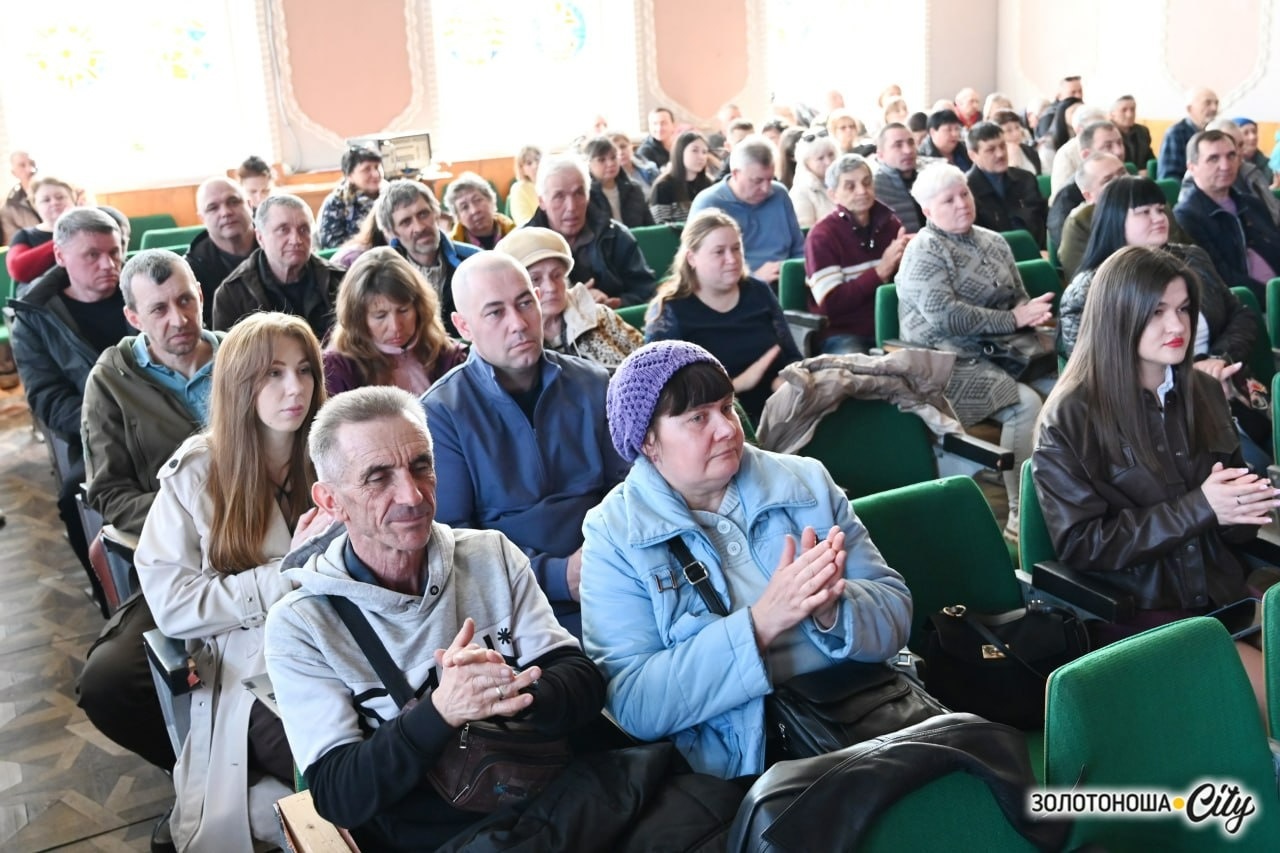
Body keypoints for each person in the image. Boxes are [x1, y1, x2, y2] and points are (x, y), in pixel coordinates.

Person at [264, 386, 605, 850]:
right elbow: (340, 794)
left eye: (421, 466)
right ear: (330, 502)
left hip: (556, 805)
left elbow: (583, 682)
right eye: (378, 478)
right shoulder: (303, 624)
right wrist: (442, 710)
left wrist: (506, 691)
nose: (412, 494)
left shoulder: (490, 555)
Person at [579, 340, 912, 778]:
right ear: (648, 442)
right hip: (749, 765)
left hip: (869, 719)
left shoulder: (806, 482)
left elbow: (897, 613)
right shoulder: (614, 535)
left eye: (727, 407)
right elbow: (633, 702)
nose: (727, 429)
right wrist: (760, 625)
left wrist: (835, 610)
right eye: (698, 418)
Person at [136, 312, 333, 850]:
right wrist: (285, 576)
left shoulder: (332, 453)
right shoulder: (197, 472)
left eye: (304, 370)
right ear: (238, 383)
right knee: (337, 765)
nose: (295, 388)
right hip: (251, 670)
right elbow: (173, 605)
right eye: (273, 373)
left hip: (344, 646)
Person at [1033, 245, 1279, 671]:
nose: (1177, 325)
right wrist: (1202, 507)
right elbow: (1081, 545)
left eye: (1183, 310)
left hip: (1222, 596)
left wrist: (1245, 506)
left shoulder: (1203, 390)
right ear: (1119, 316)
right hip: (1139, 612)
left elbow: (1234, 532)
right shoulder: (1069, 417)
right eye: (1156, 312)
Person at [76, 250, 223, 848]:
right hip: (178, 560)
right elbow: (109, 492)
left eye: (186, 300)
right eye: (158, 309)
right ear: (133, 317)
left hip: (266, 545)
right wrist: (188, 519)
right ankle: (200, 775)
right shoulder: (111, 381)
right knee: (108, 683)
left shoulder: (241, 356)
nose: (178, 319)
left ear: (201, 296)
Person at [423, 253, 630, 636]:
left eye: (524, 303)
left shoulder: (593, 384)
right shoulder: (441, 413)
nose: (518, 324)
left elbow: (630, 491)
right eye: (495, 313)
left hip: (616, 573)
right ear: (463, 325)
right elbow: (453, 542)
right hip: (515, 606)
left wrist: (611, 556)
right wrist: (559, 575)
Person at [1055, 176, 1266, 468]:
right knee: (1253, 471)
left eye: (1160, 208)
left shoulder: (1191, 259)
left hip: (1226, 385)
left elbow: (1241, 315)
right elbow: (1099, 366)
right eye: (1144, 212)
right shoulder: (1090, 289)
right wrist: (1191, 376)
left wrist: (1217, 360)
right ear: (1115, 220)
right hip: (1150, 415)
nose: (1158, 218)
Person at [896, 164, 1054, 533]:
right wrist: (1012, 319)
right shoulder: (924, 249)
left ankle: (1058, 491)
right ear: (927, 210)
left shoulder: (993, 241)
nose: (961, 204)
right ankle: (1021, 512)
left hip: (1005, 351)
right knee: (1025, 405)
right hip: (947, 361)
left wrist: (1030, 313)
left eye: (964, 194)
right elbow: (945, 316)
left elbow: (1018, 297)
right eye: (948, 200)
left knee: (1066, 390)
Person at [9, 207, 132, 608]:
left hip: (168, 419)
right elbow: (47, 398)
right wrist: (114, 426)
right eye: (92, 255)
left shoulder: (140, 287)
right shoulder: (35, 316)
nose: (108, 264)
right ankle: (108, 596)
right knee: (72, 494)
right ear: (61, 257)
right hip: (95, 436)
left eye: (114, 252)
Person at [644, 210, 802, 422]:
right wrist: (737, 385)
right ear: (692, 258)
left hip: (782, 407)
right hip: (717, 421)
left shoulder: (758, 290)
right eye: (719, 252)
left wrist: (785, 382)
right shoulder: (669, 310)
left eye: (736, 249)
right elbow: (664, 394)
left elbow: (791, 355)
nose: (732, 259)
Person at [323, 247, 467, 396]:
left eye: (403, 310)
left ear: (419, 307)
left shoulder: (446, 354)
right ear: (357, 318)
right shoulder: (337, 370)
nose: (396, 327)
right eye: (380, 316)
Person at [804, 154, 910, 354]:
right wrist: (879, 272)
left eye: (867, 182)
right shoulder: (822, 236)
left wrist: (907, 260)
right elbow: (830, 304)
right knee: (859, 369)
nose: (862, 191)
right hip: (843, 333)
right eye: (850, 186)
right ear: (833, 195)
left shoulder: (891, 224)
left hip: (894, 326)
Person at [495, 227, 641, 368]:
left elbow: (647, 360)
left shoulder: (599, 315)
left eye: (556, 275)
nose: (551, 287)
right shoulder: (515, 342)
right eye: (535, 279)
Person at [525, 157, 657, 307]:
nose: (571, 207)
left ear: (588, 196)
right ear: (542, 201)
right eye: (559, 196)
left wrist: (616, 304)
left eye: (578, 193)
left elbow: (647, 290)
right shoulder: (522, 247)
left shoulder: (615, 236)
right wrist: (571, 301)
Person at [212, 194, 345, 337]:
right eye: (283, 230)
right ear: (260, 238)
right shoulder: (232, 294)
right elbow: (229, 350)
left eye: (303, 229)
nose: (296, 240)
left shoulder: (340, 279)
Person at [1174, 129, 1280, 302]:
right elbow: (1221, 279)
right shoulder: (1186, 217)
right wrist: (1274, 296)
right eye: (1213, 159)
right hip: (1250, 304)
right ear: (1192, 167)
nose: (1226, 166)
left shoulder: (1252, 204)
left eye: (1231, 156)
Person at [689, 136, 805, 285]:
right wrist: (752, 278)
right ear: (735, 174)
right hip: (734, 288)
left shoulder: (779, 194)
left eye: (770, 179)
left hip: (786, 282)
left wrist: (794, 274)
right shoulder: (709, 203)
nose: (766, 188)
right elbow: (697, 267)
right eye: (757, 181)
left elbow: (799, 249)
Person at [373, 181, 479, 336]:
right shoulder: (380, 275)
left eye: (423, 214)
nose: (419, 227)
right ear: (392, 232)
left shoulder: (474, 261)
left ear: (436, 213)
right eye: (406, 222)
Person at [186, 177, 257, 326]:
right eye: (213, 208)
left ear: (250, 205)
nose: (226, 212)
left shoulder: (279, 248)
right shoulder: (191, 271)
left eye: (233, 201)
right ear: (202, 219)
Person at [965, 121, 1048, 247]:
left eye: (1003, 146)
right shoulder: (966, 191)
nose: (1000, 154)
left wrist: (1044, 249)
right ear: (973, 155)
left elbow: (1044, 220)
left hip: (1038, 250)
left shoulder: (1026, 179)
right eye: (991, 150)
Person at [5, 176, 75, 287]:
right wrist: (67, 239)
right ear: (35, 206)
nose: (54, 203)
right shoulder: (25, 235)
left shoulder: (91, 228)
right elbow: (17, 269)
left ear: (73, 200)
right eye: (46, 200)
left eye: (60, 197)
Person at [317, 146, 387, 249]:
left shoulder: (390, 195)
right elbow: (332, 247)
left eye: (377, 167)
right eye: (366, 169)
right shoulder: (337, 203)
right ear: (349, 175)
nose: (376, 174)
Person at [584, 136, 655, 229]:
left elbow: (650, 227)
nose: (610, 164)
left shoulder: (634, 189)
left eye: (613, 158)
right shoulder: (585, 195)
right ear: (588, 163)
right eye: (601, 160)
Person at [874, 123, 929, 233]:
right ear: (881, 155)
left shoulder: (928, 177)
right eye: (898, 145)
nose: (908, 150)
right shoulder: (875, 188)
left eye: (911, 143)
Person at [648, 130, 712, 224]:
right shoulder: (663, 186)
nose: (701, 157)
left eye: (704, 152)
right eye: (694, 150)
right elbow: (661, 226)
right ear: (680, 152)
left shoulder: (709, 184)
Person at [1158, 88, 1219, 180]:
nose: (1214, 108)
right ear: (1189, 109)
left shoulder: (1218, 132)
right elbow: (1170, 178)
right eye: (1207, 103)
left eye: (1216, 103)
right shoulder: (1175, 133)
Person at [443, 172, 515, 250]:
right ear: (458, 217)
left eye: (477, 200)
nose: (474, 210)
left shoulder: (515, 232)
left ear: (491, 201)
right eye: (464, 207)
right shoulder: (451, 248)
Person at [788, 130, 838, 228]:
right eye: (820, 158)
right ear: (806, 163)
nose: (828, 162)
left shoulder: (843, 182)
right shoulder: (800, 192)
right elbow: (805, 230)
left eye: (831, 154)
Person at [2, 150, 39, 243]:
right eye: (22, 165)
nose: (30, 169)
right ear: (14, 173)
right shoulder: (9, 208)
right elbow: (15, 244)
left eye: (32, 163)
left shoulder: (59, 193)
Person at [1111, 95, 1154, 174]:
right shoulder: (1107, 134)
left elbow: (1151, 160)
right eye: (1124, 110)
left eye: (1133, 110)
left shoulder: (1142, 131)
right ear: (1112, 114)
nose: (1130, 115)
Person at [611, 132, 659, 199]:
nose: (620, 152)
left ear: (631, 146)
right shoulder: (611, 180)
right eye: (615, 150)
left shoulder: (649, 168)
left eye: (623, 147)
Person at [994, 109, 1042, 174]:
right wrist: (1013, 163)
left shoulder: (1030, 151)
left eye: (1017, 127)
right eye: (1009, 130)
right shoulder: (996, 157)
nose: (1016, 133)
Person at [509, 144, 542, 226]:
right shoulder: (519, 189)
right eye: (529, 163)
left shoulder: (552, 183)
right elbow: (524, 223)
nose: (535, 166)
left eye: (537, 160)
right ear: (522, 169)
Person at [1234, 118, 1275, 186]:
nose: (1253, 137)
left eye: (1254, 132)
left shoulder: (1270, 165)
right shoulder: (1232, 167)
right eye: (1246, 133)